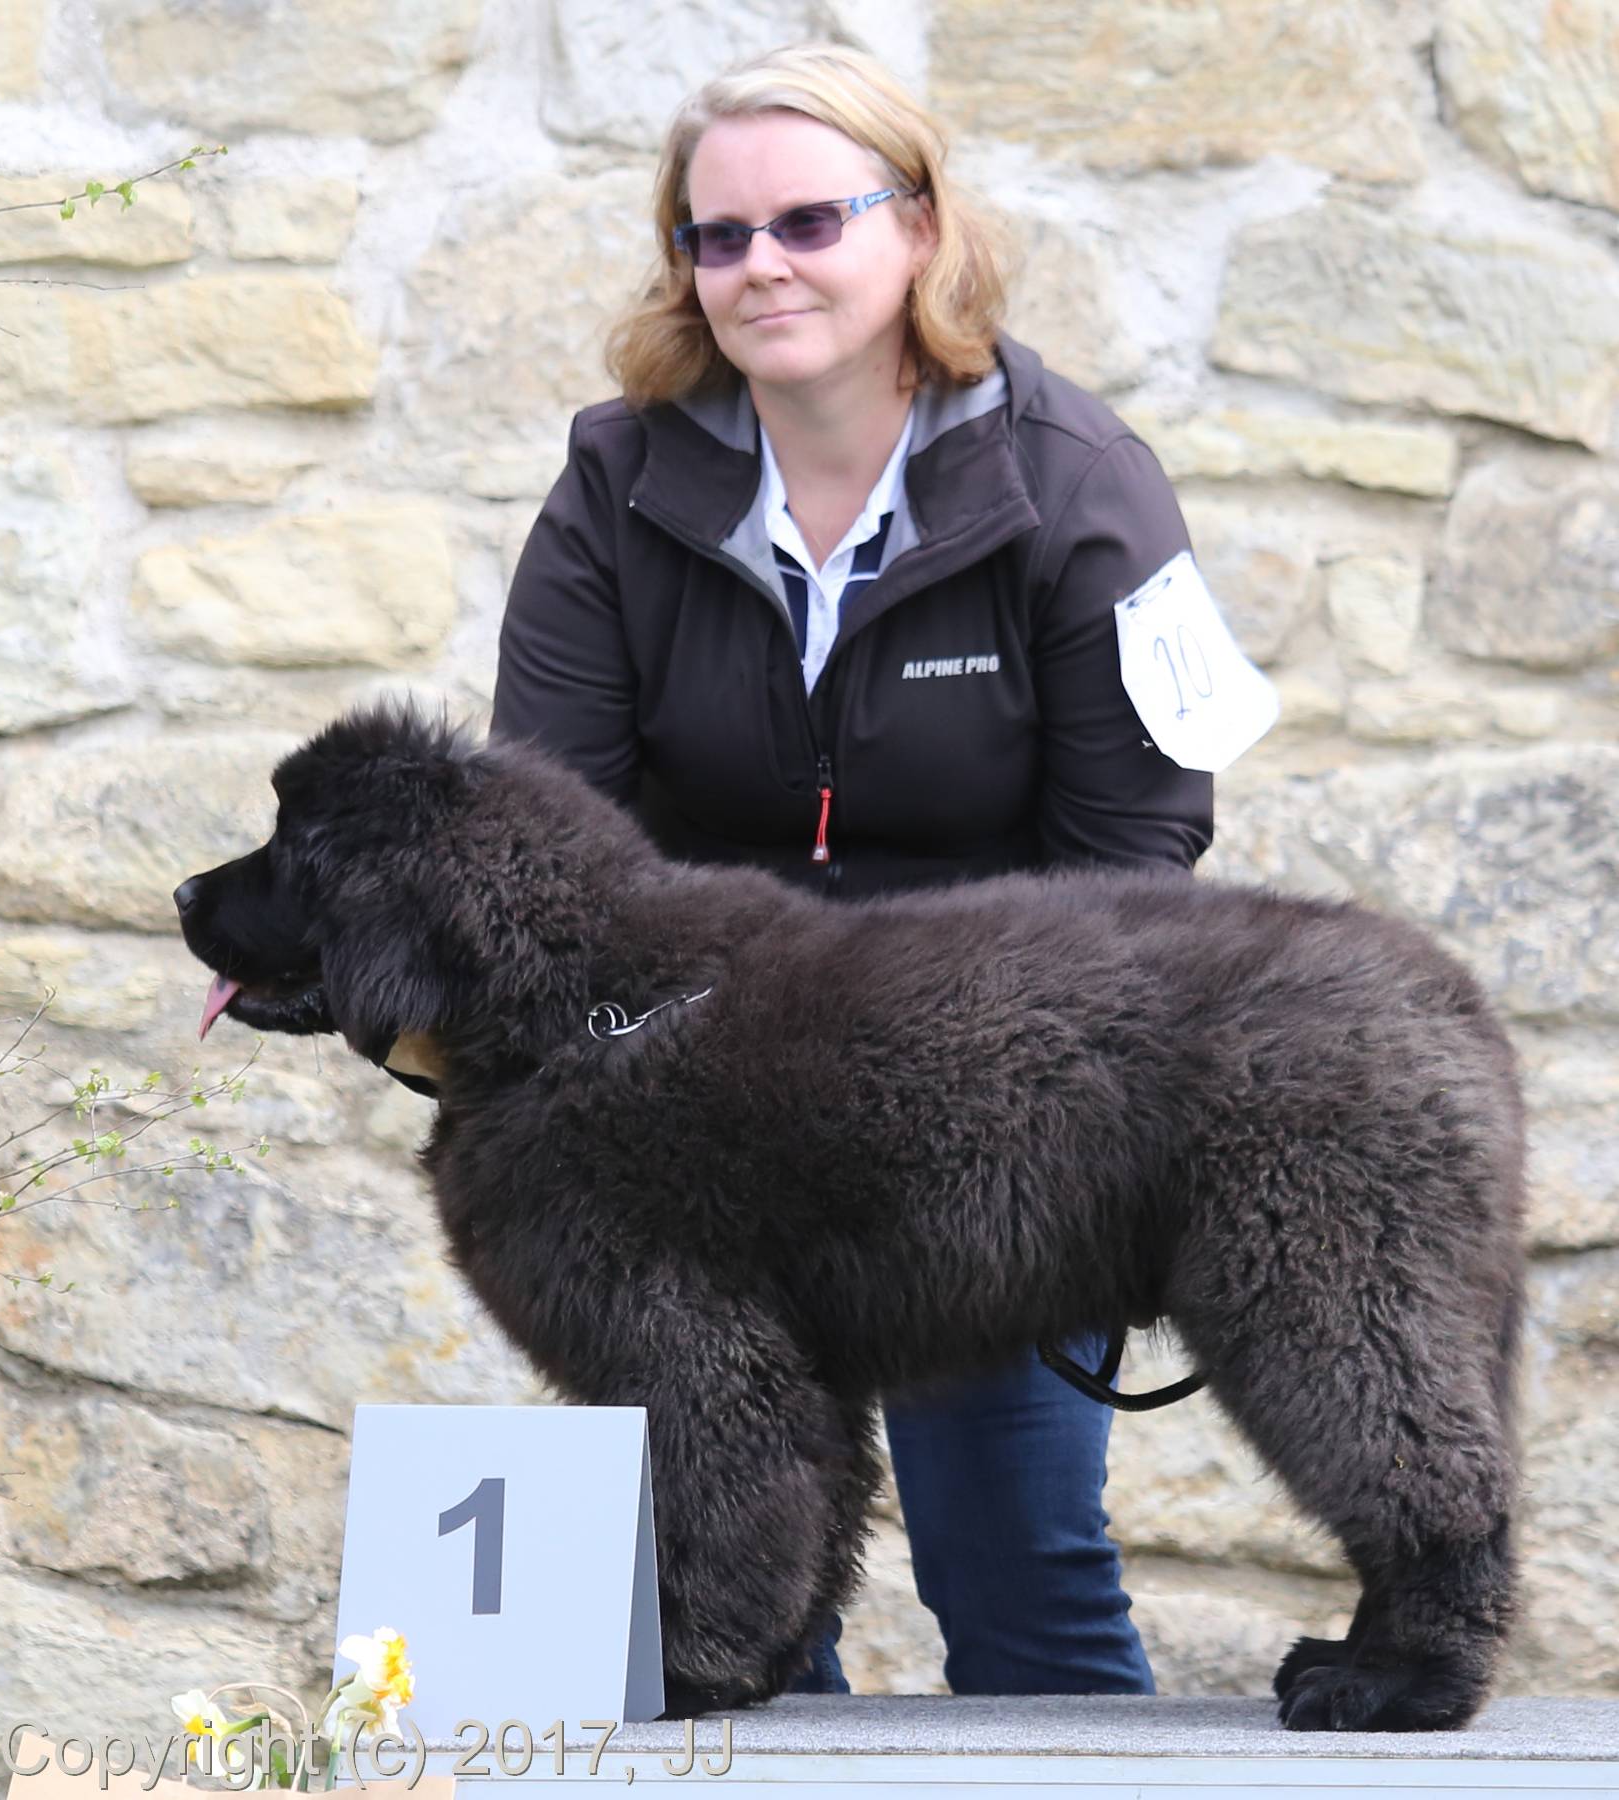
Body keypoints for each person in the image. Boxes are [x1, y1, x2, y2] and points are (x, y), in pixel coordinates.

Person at [475, 40, 1213, 1698]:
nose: (762, 267)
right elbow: (552, 834)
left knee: (1017, 1565)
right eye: (717, 235)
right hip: (706, 1119)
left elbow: (1138, 859)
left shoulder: (1076, 482)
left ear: (921, 226)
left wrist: (966, 1072)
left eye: (810, 222)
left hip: (996, 1115)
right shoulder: (616, 481)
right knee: (728, 1591)